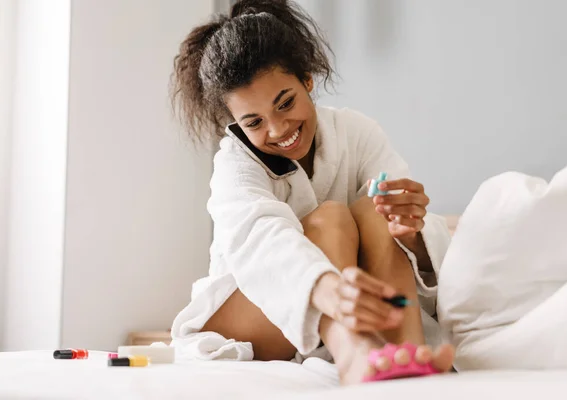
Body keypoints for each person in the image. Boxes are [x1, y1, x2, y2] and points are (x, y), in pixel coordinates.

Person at [169, 0, 455, 385]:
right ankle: (354, 353)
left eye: (285, 103)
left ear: (307, 78)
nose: (276, 130)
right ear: (235, 123)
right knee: (330, 217)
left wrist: (410, 233)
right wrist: (325, 286)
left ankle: (407, 352)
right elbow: (263, 244)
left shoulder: (358, 132)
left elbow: (404, 240)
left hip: (350, 300)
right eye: (253, 121)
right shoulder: (234, 165)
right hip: (251, 314)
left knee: (377, 211)